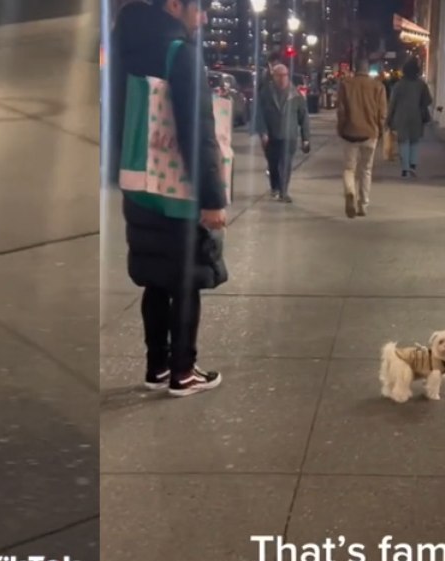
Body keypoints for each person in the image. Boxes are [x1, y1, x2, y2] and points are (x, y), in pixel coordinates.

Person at [110, 0, 228, 397]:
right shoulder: (181, 53)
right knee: (185, 280)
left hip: (137, 179)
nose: (205, 18)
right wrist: (213, 198)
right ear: (174, 5)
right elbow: (198, 130)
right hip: (176, 187)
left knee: (156, 280)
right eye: (200, 9)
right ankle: (183, 372)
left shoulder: (123, 45)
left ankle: (157, 366)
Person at [336, 59, 388, 218]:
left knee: (349, 168)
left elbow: (341, 111)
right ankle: (363, 204)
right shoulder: (378, 86)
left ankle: (350, 191)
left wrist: (341, 128)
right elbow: (382, 113)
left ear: (355, 70)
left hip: (350, 132)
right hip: (369, 133)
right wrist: (379, 130)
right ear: (368, 70)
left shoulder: (346, 84)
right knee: (366, 170)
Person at [257, 64, 311, 203]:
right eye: (278, 75)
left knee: (286, 164)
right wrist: (263, 132)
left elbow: (303, 117)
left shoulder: (296, 94)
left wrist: (306, 138)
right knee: (273, 164)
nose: (282, 78)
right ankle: (275, 187)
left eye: (284, 75)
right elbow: (259, 114)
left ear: (288, 76)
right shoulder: (266, 93)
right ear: (273, 77)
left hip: (289, 136)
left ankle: (284, 192)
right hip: (271, 136)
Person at [388, 58, 433, 178]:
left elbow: (392, 103)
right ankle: (413, 165)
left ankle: (405, 168)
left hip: (401, 117)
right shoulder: (421, 84)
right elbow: (428, 100)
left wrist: (389, 119)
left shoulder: (398, 85)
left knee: (403, 142)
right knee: (415, 141)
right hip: (416, 116)